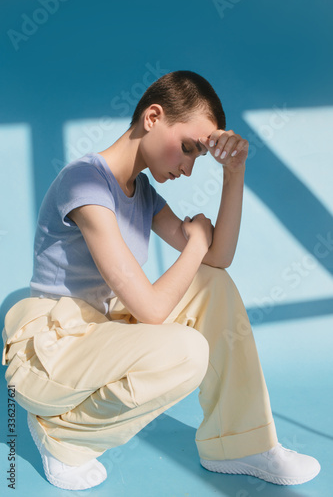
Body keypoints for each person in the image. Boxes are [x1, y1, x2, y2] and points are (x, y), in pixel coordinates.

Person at [2, 71, 320, 491]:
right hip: (53, 353)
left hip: (103, 336)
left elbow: (217, 261)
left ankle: (238, 441)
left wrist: (234, 173)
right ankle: (64, 435)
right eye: (188, 148)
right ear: (153, 116)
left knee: (213, 286)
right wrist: (194, 244)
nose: (188, 168)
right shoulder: (84, 181)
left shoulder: (143, 193)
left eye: (197, 158)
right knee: (186, 352)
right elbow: (153, 309)